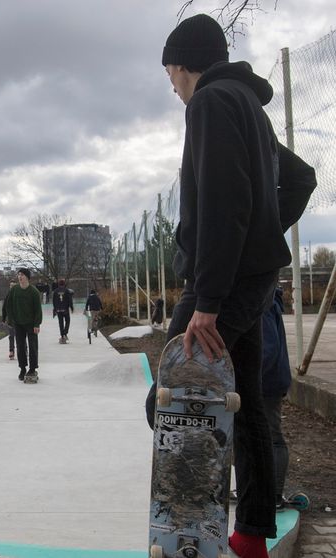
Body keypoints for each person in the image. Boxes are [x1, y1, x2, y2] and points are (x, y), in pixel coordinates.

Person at [148, 14, 317, 557]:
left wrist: (210, 299)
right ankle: (249, 537)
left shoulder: (211, 102)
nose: (172, 86)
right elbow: (300, 178)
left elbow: (222, 203)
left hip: (218, 284)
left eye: (170, 72)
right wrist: (265, 233)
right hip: (251, 277)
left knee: (168, 398)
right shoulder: (249, 106)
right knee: (241, 400)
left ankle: (192, 525)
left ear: (181, 63)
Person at [261, 286, 292, 509]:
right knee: (261, 437)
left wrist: (246, 379)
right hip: (270, 380)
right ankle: (259, 489)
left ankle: (272, 494)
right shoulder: (268, 298)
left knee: (272, 437)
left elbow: (267, 349)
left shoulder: (263, 302)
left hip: (265, 383)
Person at [3, 269, 42, 383]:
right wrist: (11, 319)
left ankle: (32, 368)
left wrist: (37, 324)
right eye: (19, 275)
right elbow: (8, 305)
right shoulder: (14, 290)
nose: (20, 277)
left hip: (31, 324)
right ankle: (22, 368)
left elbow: (38, 310)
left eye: (22, 275)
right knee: (20, 347)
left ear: (27, 277)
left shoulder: (33, 291)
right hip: (18, 323)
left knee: (33, 346)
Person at [51, 279, 74, 343]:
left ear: (58, 284)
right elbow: (70, 300)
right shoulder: (67, 291)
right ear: (64, 284)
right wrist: (71, 307)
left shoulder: (55, 291)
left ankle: (62, 335)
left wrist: (55, 309)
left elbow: (54, 301)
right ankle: (65, 333)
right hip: (65, 309)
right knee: (67, 321)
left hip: (58, 309)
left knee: (60, 323)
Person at [0, 280, 17, 359]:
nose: (12, 287)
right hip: (11, 320)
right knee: (11, 336)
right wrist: (3, 319)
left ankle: (24, 349)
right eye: (11, 286)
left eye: (14, 286)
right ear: (9, 287)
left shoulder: (20, 295)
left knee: (21, 336)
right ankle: (11, 351)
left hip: (20, 320)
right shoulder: (7, 296)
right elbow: (4, 308)